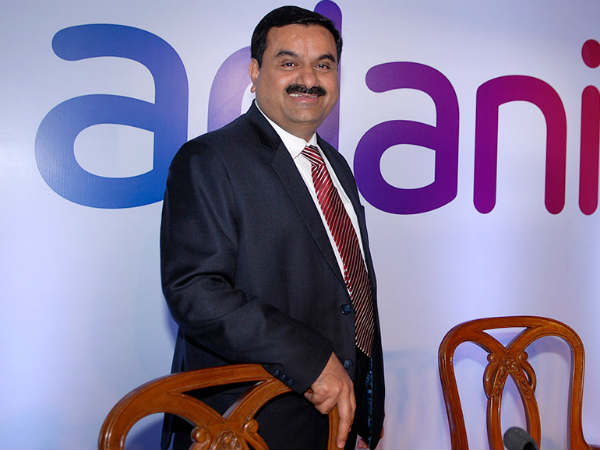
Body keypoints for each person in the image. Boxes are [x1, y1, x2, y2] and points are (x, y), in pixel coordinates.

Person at [160, 5, 384, 450]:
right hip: (248, 424)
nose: (309, 79)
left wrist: (363, 400)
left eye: (324, 65)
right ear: (254, 71)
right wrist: (311, 360)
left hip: (333, 419)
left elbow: (346, 292)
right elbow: (195, 291)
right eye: (289, 63)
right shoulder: (209, 159)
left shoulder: (335, 165)